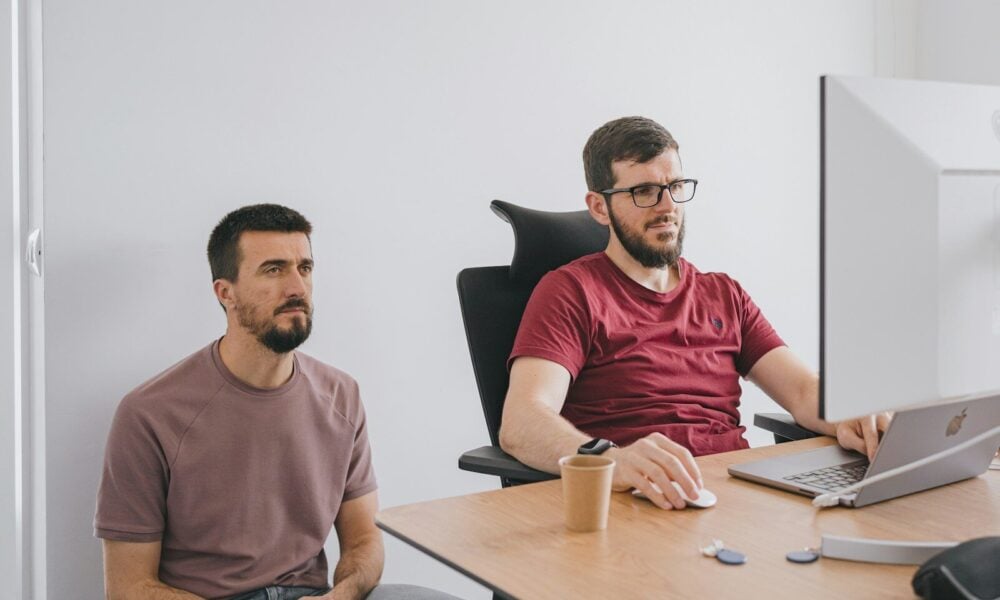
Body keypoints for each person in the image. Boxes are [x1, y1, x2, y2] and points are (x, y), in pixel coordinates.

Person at [498, 117, 890, 511]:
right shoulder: (571, 291)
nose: (668, 206)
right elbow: (522, 421)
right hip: (640, 500)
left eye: (675, 187)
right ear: (600, 207)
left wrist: (852, 414)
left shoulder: (723, 293)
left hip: (734, 497)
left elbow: (804, 391)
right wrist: (609, 460)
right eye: (645, 191)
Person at [95, 204, 455, 600]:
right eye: (274, 269)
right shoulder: (150, 413)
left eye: (304, 268)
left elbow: (364, 541)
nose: (297, 288)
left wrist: (342, 595)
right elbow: (128, 588)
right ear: (225, 292)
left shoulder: (341, 395)